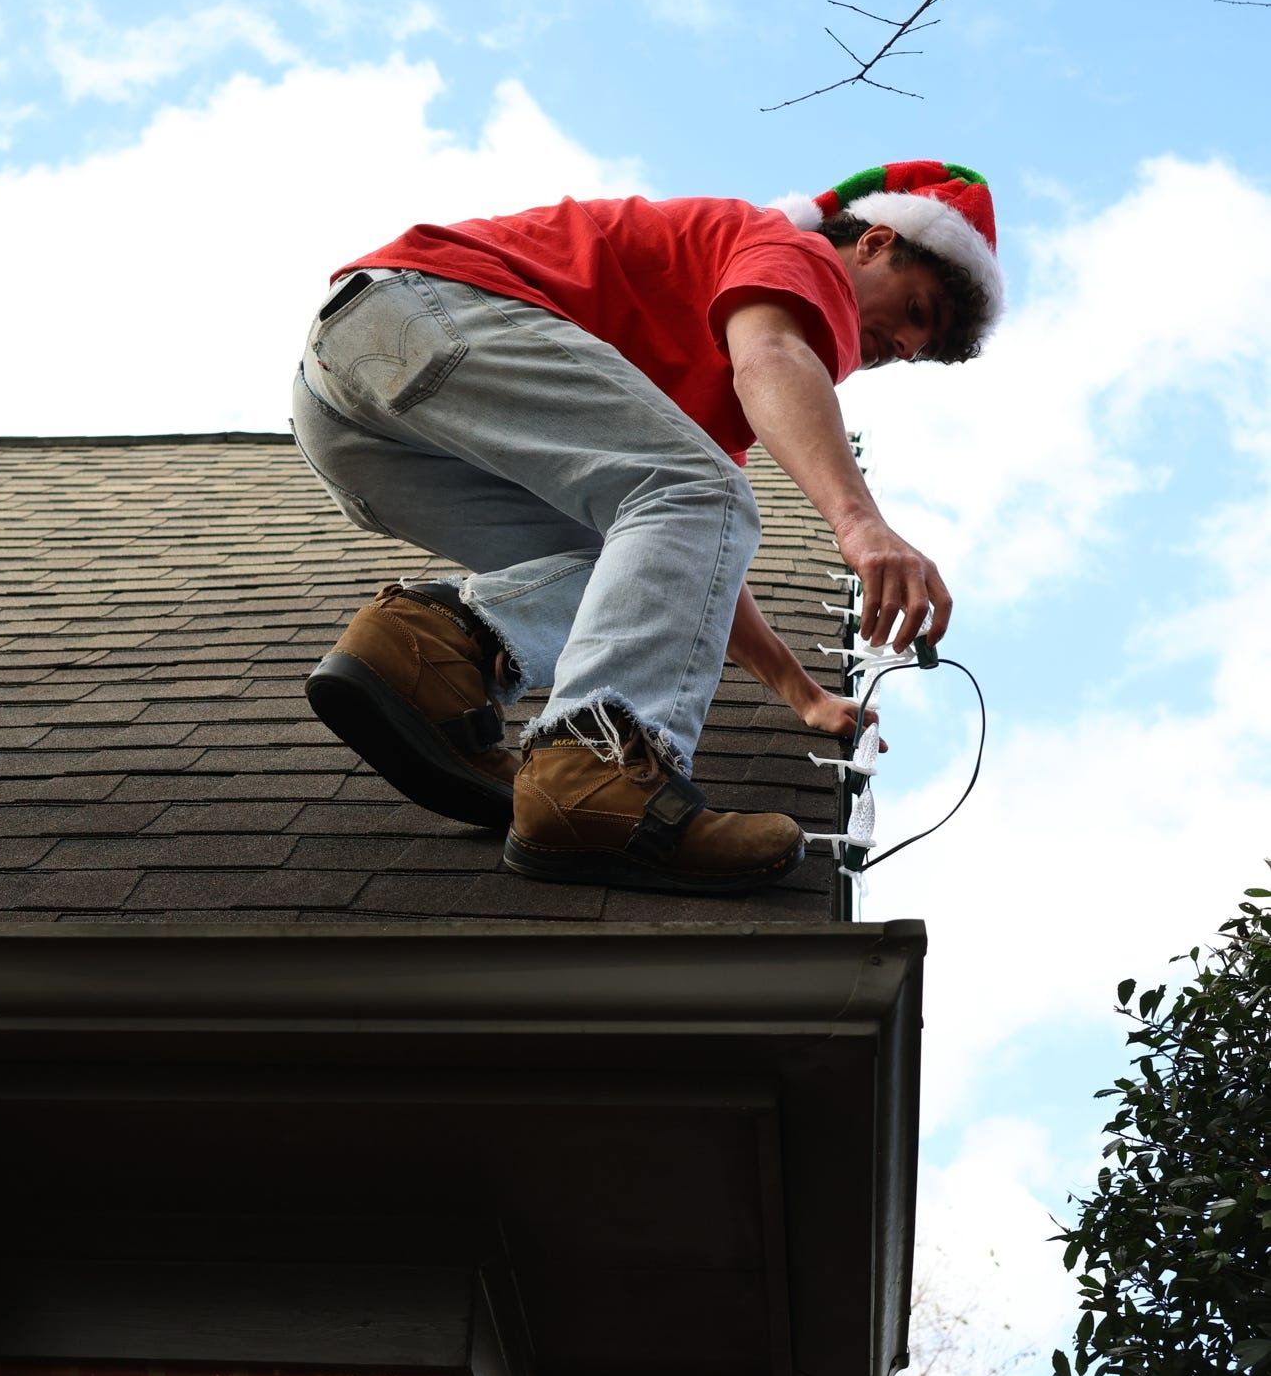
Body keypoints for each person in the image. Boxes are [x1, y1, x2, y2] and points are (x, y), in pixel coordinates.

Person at [290, 160, 1003, 896]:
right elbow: (776, 357)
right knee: (704, 495)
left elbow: (689, 565)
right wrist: (861, 526)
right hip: (430, 315)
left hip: (352, 416)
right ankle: (595, 773)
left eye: (920, 351)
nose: (906, 347)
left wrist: (802, 694)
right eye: (918, 311)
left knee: (653, 552)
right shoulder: (795, 250)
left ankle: (424, 651)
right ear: (874, 243)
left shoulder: (693, 406)